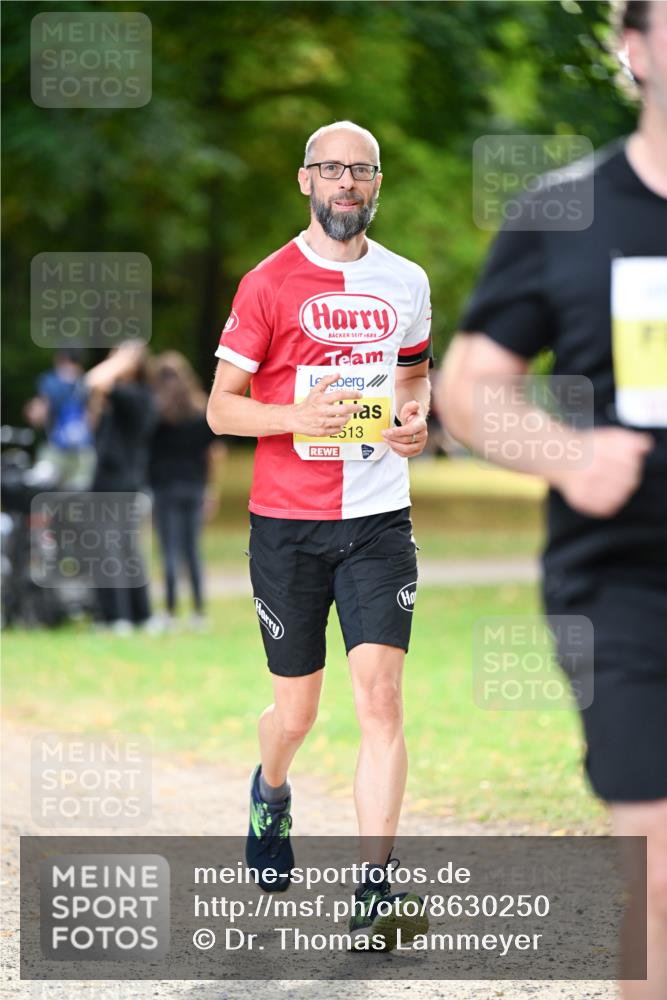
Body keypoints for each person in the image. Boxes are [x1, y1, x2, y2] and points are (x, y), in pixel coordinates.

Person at [438, 3, 666, 996]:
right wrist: (569, 455)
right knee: (654, 860)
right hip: (627, 579)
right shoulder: (563, 211)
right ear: (634, 50)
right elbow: (468, 389)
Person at [207, 121, 431, 949]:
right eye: (332, 170)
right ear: (305, 180)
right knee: (296, 714)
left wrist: (415, 417)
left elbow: (413, 369)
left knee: (380, 700)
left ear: (376, 184)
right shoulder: (266, 283)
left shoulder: (406, 279)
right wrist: (293, 415)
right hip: (287, 526)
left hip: (377, 520)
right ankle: (270, 791)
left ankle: (374, 886)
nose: (347, 184)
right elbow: (219, 407)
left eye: (361, 171)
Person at [149, 351, 225, 629]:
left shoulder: (155, 413)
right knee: (192, 551)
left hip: (164, 489)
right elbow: (214, 453)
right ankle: (198, 612)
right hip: (194, 487)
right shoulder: (201, 410)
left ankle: (169, 612)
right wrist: (211, 489)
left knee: (169, 551)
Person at [85, 340, 157, 633]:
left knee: (108, 549)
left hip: (114, 482)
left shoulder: (133, 395)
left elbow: (93, 379)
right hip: (124, 482)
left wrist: (125, 357)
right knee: (126, 548)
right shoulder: (135, 397)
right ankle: (140, 615)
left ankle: (116, 617)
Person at [24, 348, 95, 489]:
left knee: (42, 495)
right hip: (83, 452)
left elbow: (38, 415)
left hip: (54, 450)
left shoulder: (50, 381)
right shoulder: (88, 382)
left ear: (60, 359)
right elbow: (92, 417)